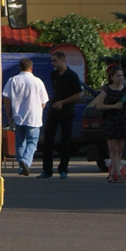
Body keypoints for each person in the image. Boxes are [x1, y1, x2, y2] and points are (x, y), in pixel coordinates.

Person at [40, 51, 84, 179]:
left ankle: (63, 169)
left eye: (55, 61)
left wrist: (63, 102)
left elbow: (78, 95)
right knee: (48, 139)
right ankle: (47, 170)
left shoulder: (72, 75)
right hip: (54, 110)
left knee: (65, 140)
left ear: (62, 60)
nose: (53, 63)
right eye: (52, 61)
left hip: (67, 111)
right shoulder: (54, 74)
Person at [2, 58, 48, 176]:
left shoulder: (12, 80)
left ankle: (21, 167)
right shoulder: (38, 82)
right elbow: (44, 102)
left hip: (18, 116)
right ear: (31, 68)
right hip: (34, 117)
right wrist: (38, 110)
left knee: (20, 142)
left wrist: (9, 113)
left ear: (19, 67)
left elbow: (6, 98)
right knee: (32, 141)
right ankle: (25, 161)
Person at [89, 64, 126, 183]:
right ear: (112, 77)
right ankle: (118, 174)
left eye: (122, 76)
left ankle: (113, 173)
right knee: (113, 149)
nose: (121, 78)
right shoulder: (107, 89)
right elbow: (99, 105)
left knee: (120, 149)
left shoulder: (125, 89)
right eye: (118, 76)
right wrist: (113, 106)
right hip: (111, 120)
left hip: (122, 120)